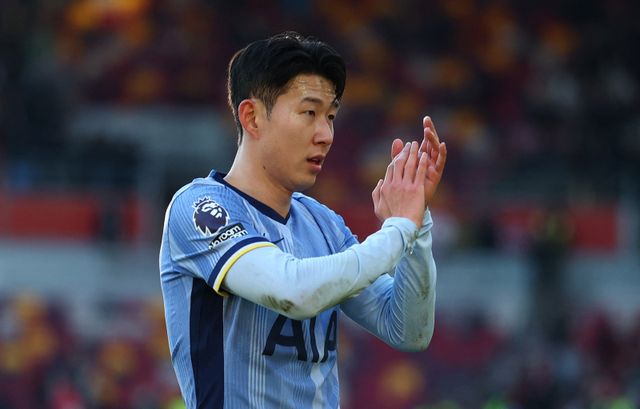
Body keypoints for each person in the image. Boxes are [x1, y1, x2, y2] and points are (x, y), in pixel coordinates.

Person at [159, 31, 447, 409]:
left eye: (331, 116)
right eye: (309, 113)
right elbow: (291, 291)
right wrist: (399, 230)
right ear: (252, 117)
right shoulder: (199, 208)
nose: (325, 135)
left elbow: (409, 331)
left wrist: (417, 226)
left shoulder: (324, 225)